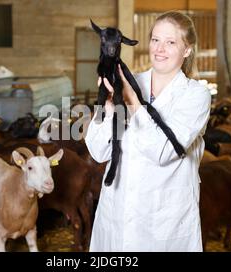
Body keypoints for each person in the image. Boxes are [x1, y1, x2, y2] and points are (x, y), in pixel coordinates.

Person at [85, 11, 211, 252]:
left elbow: (163, 152)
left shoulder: (196, 96)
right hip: (117, 217)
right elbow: (98, 151)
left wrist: (132, 102)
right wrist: (109, 107)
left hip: (164, 224)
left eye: (170, 42)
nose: (159, 48)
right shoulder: (129, 82)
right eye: (155, 40)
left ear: (187, 50)